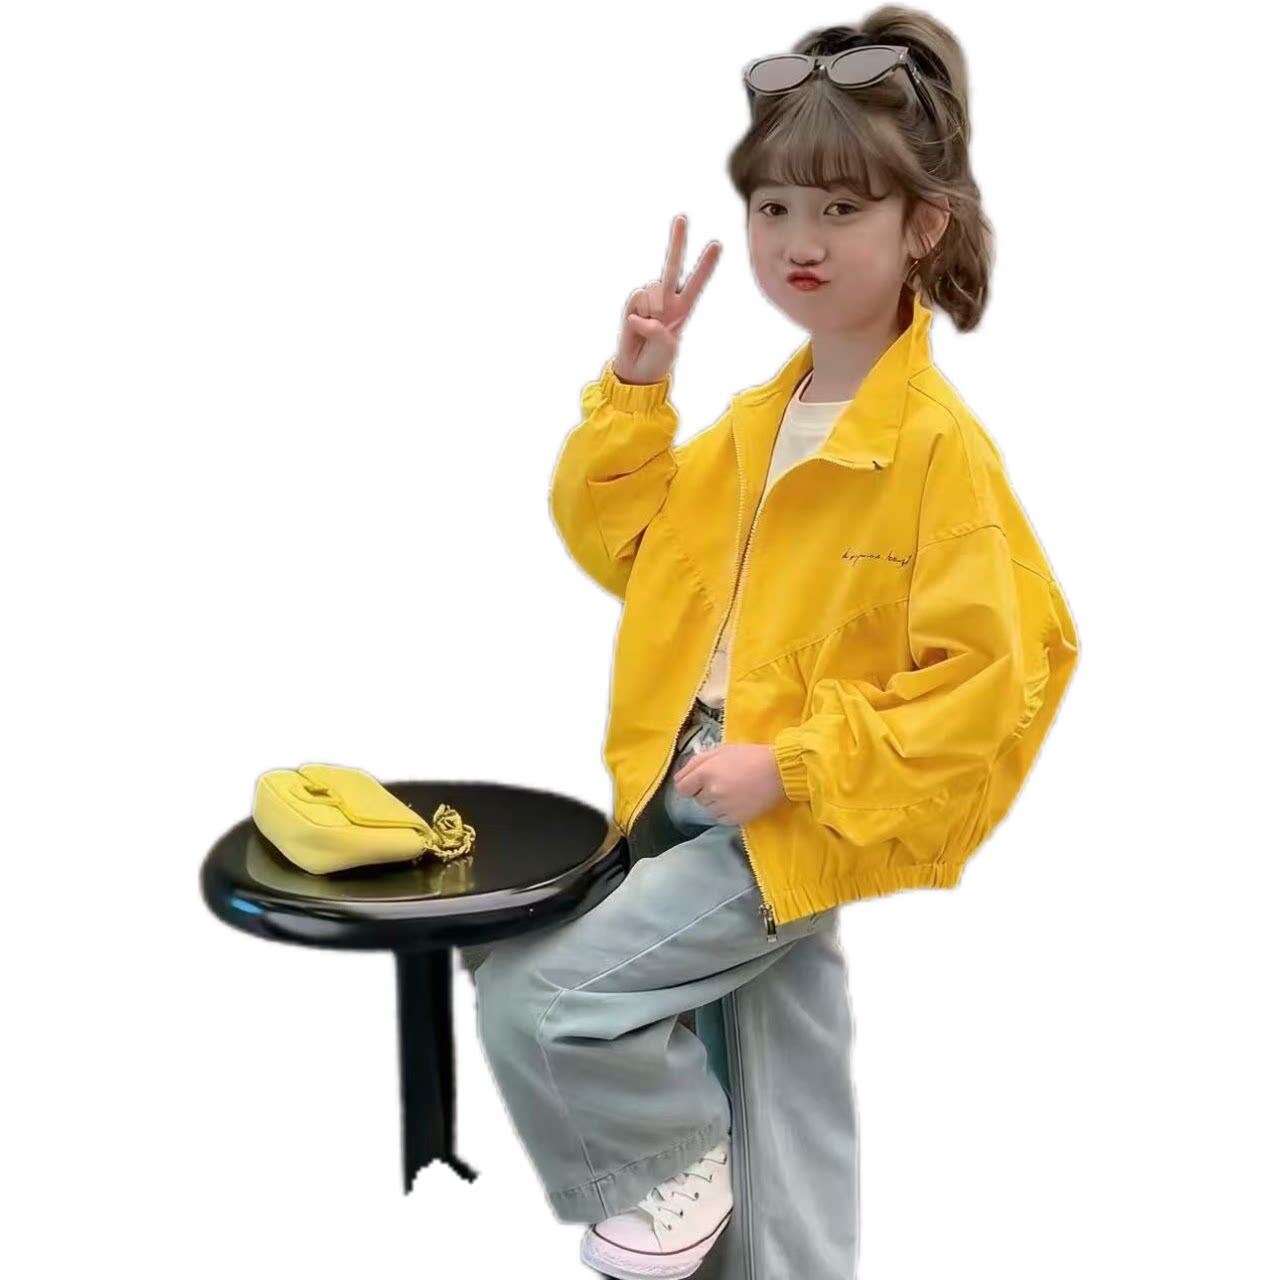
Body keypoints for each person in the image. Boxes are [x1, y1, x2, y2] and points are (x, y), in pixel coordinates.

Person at [460, 9, 1080, 1278]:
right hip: (681, 772)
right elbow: (632, 552)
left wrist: (790, 763)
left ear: (922, 227)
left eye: (841, 210)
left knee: (545, 991)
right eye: (774, 206)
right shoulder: (761, 417)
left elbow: (998, 676)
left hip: (788, 808)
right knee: (772, 1062)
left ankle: (666, 1169)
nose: (800, 241)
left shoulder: (933, 451)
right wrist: (637, 384)